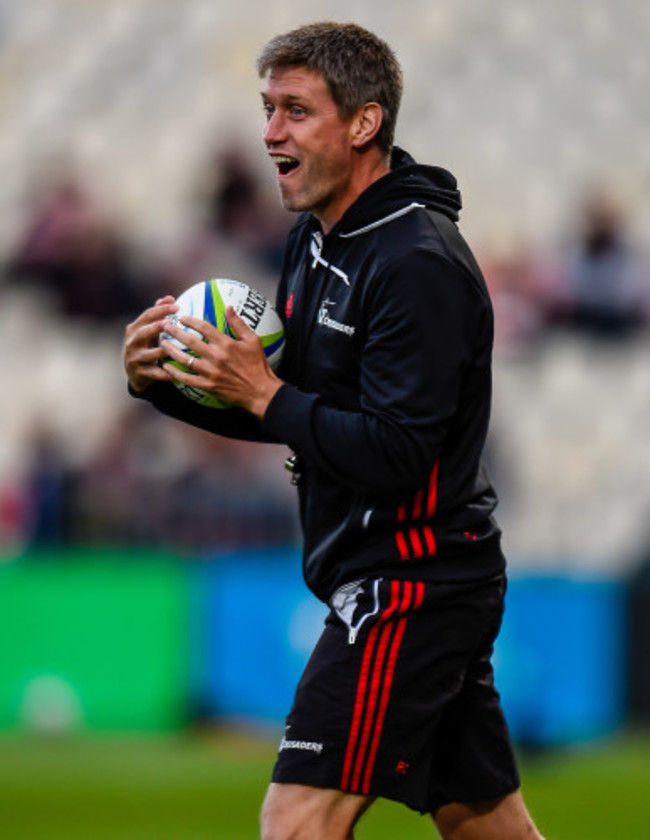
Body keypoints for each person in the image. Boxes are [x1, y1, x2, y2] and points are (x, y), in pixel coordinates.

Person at [123, 21, 545, 840]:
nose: (270, 132)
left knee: (296, 821)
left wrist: (265, 393)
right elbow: (299, 411)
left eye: (295, 110)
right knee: (488, 826)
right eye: (267, 108)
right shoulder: (315, 243)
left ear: (364, 123)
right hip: (396, 576)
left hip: (411, 585)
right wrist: (164, 388)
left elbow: (393, 451)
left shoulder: (416, 261)